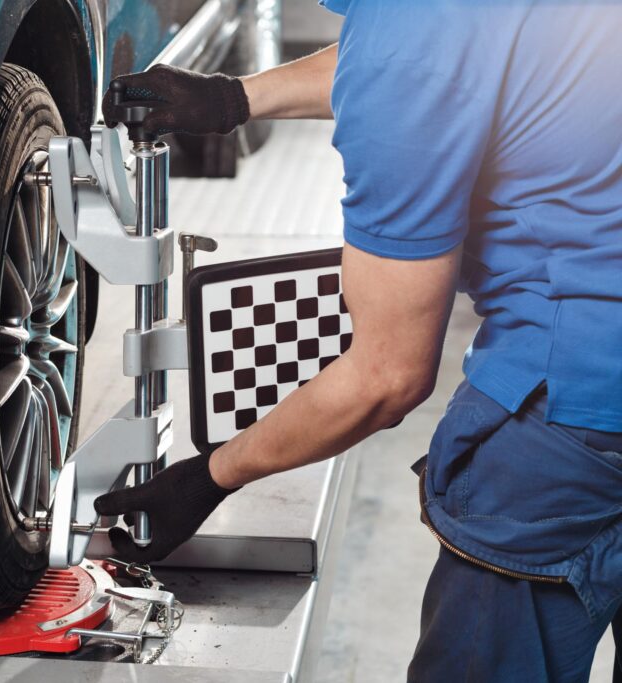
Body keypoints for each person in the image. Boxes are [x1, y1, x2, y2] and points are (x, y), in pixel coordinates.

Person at [96, 1, 622, 680]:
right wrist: (235, 97)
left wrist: (208, 477)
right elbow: (450, 56)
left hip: (572, 409)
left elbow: (389, 376)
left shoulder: (402, 43)